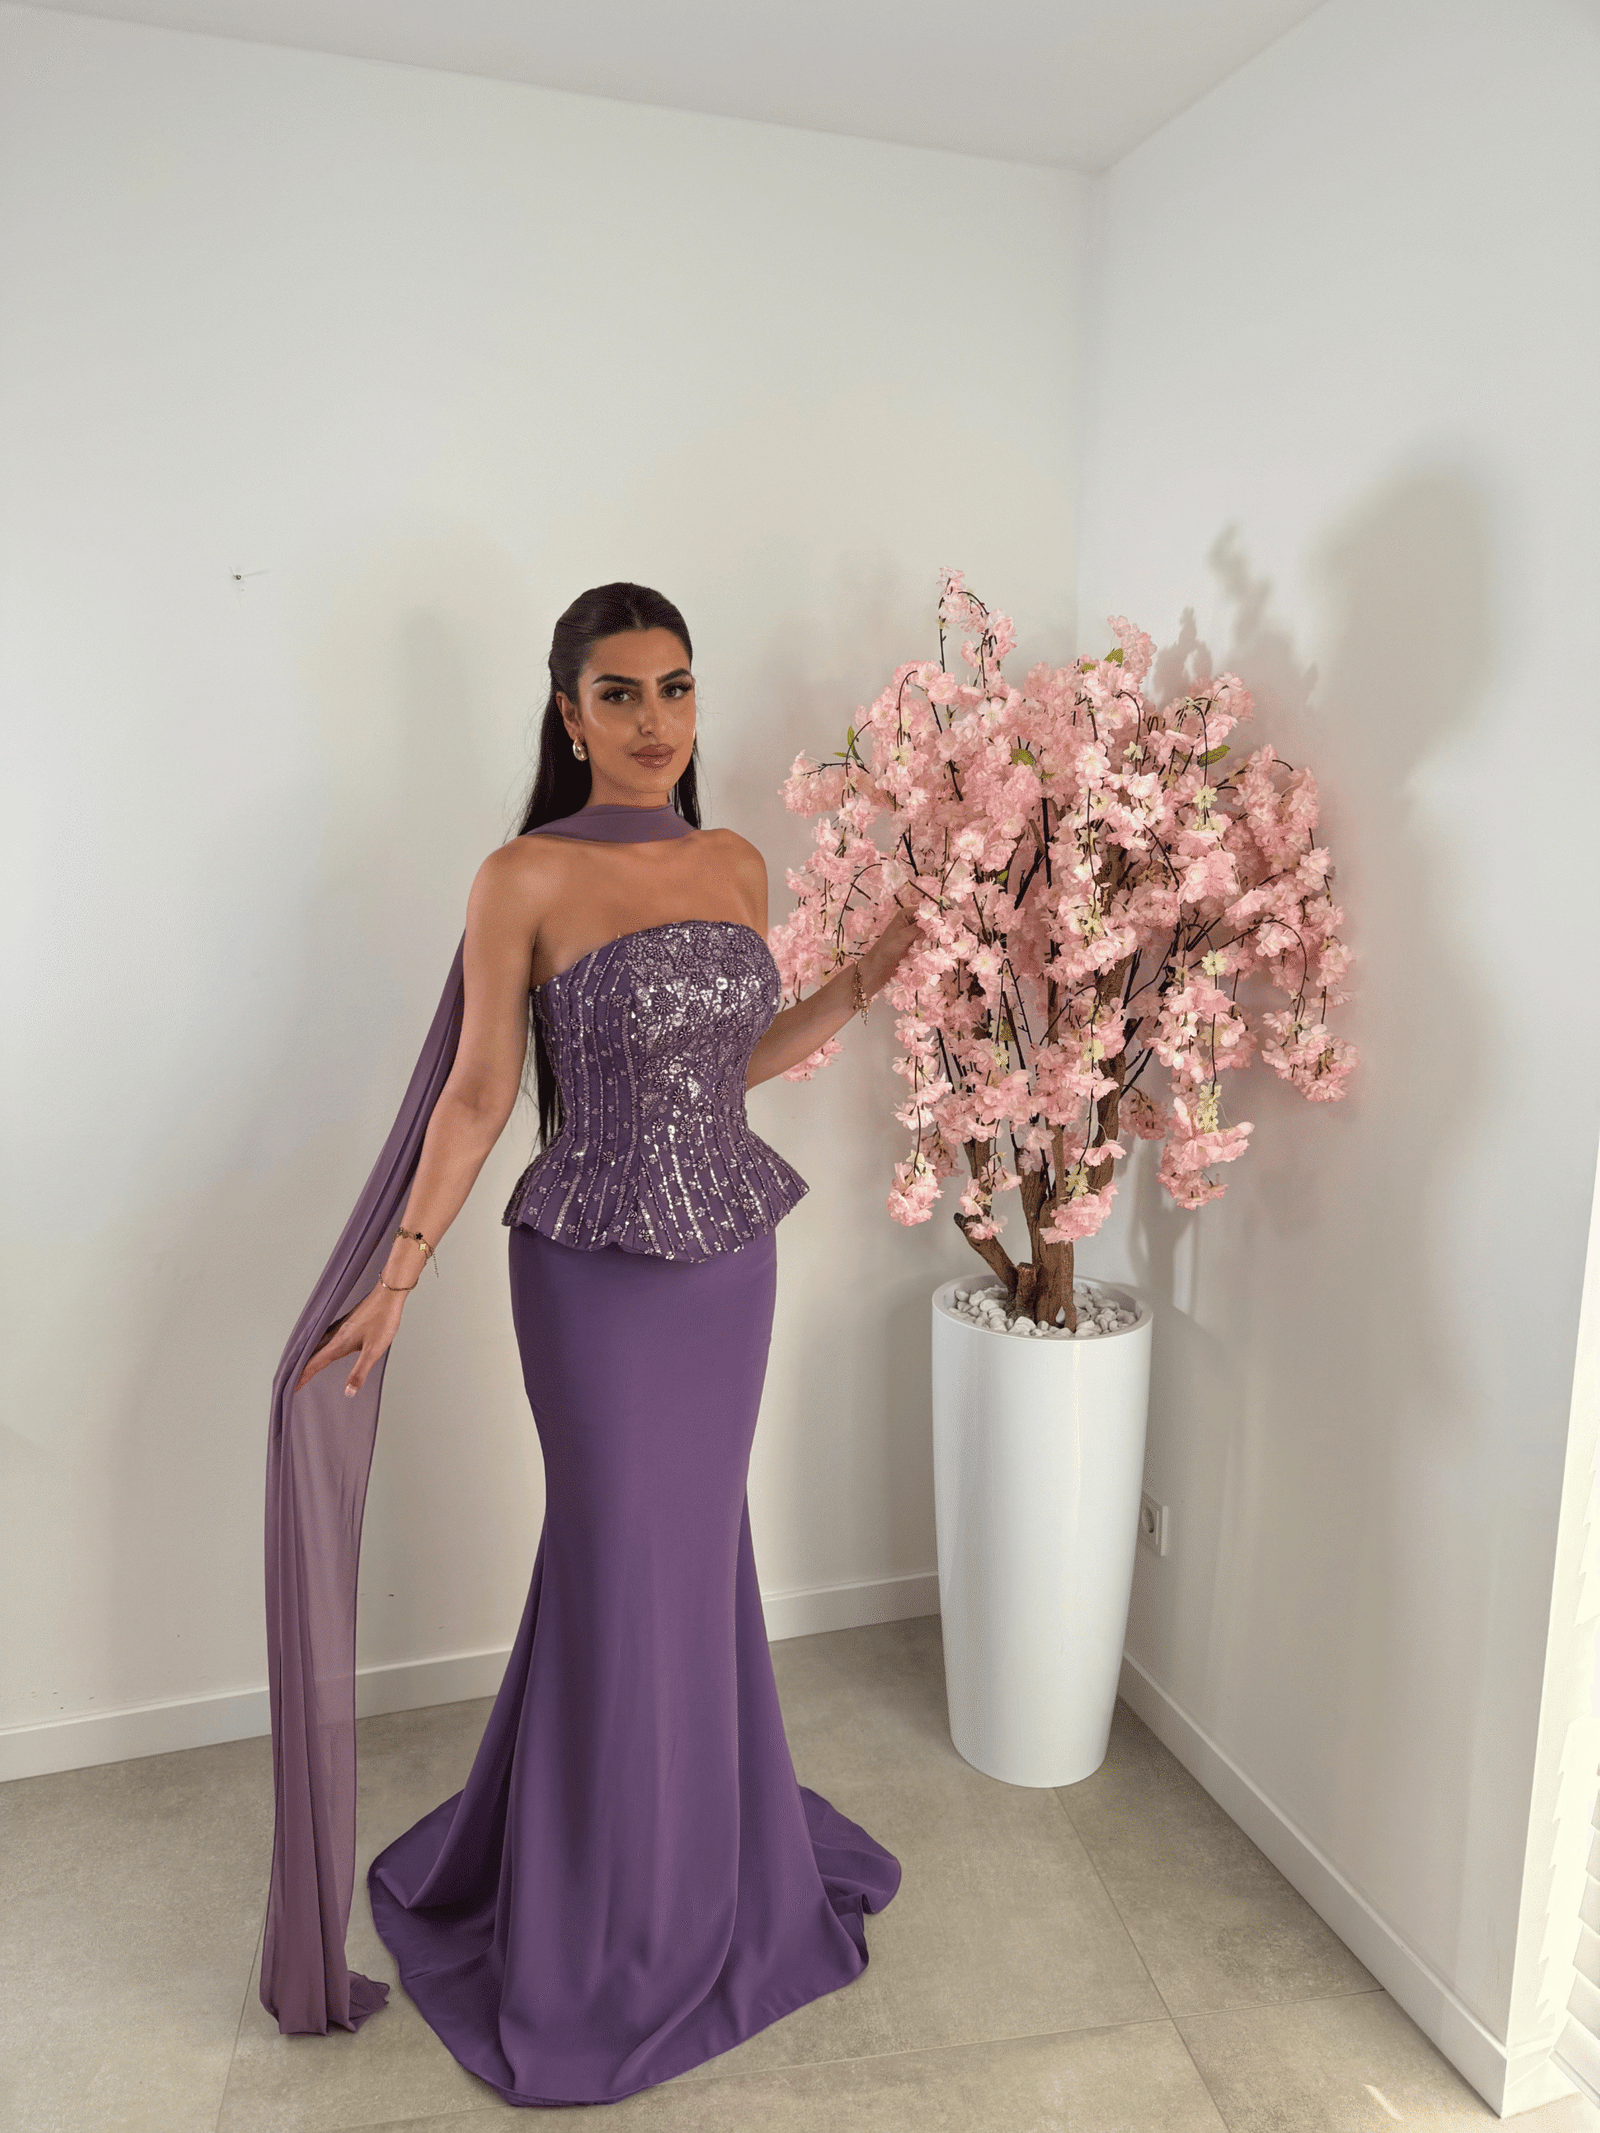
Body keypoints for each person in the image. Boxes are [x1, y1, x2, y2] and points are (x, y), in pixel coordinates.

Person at [261, 582, 919, 2107]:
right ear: (568, 715)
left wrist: (856, 985)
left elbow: (726, 1068)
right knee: (621, 1559)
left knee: (693, 1558)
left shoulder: (736, 860)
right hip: (593, 1276)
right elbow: (482, 1092)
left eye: (674, 687)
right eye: (617, 693)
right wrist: (400, 1274)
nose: (652, 719)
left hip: (728, 1265)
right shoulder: (524, 876)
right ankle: (605, 1911)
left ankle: (702, 1861)